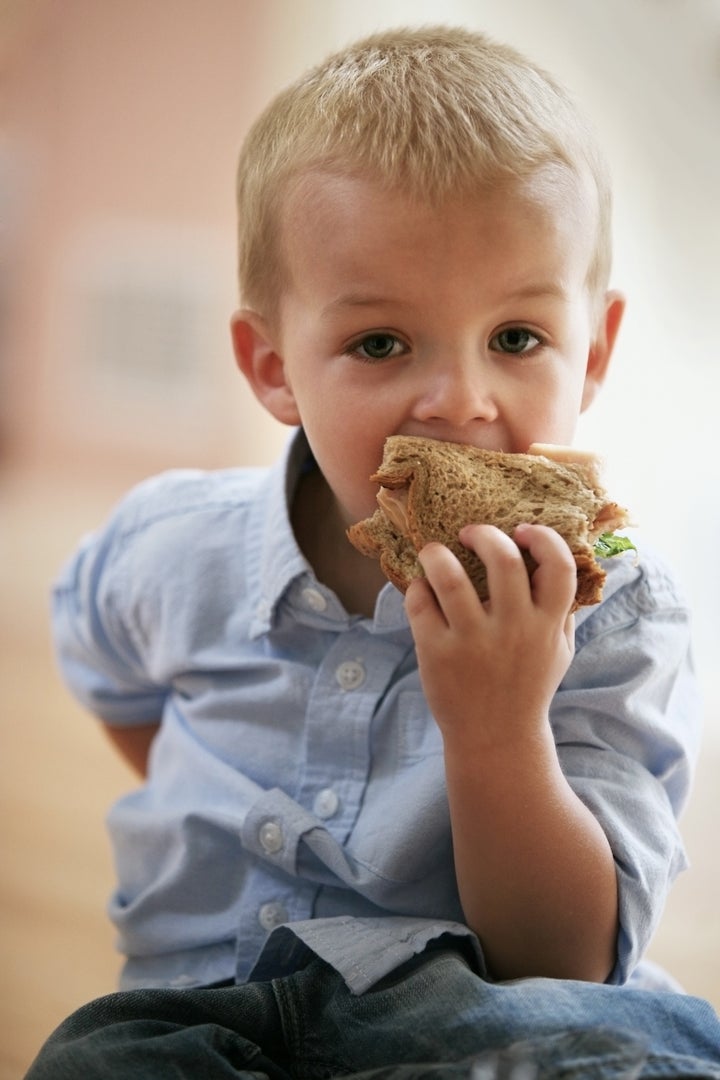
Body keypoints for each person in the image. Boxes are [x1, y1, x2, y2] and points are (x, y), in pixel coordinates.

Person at [26, 24, 720, 1080]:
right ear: (273, 367)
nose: (461, 403)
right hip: (192, 1009)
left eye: (519, 338)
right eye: (382, 343)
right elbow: (106, 662)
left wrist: (498, 731)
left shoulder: (610, 607)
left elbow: (566, 962)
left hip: (472, 1014)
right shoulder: (171, 545)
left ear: (597, 351)